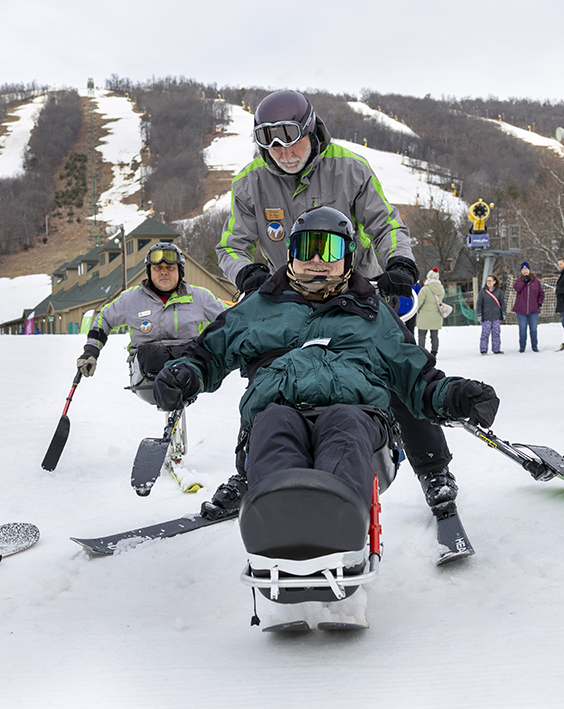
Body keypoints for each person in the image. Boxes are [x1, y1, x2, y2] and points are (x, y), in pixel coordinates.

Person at [156, 209, 498, 623]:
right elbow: (209, 353)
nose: (317, 260)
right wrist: (185, 375)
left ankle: (343, 553)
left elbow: (419, 380)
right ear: (290, 254)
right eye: (306, 249)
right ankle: (276, 553)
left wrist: (459, 396)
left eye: (329, 249)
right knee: (274, 426)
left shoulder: (372, 313)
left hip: (357, 415)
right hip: (276, 409)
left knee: (343, 426)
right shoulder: (260, 306)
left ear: (349, 256)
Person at [214, 89, 461, 521]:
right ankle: (252, 467)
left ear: (312, 131)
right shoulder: (249, 183)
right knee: (267, 372)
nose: (284, 153)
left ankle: (433, 469)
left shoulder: (350, 169)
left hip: (355, 290)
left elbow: (386, 222)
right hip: (290, 295)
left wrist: (399, 263)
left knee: (396, 365)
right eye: (271, 145)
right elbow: (230, 246)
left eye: (292, 141)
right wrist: (247, 275)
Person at [75, 241, 227, 392]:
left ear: (180, 271)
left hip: (188, 365)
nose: (164, 272)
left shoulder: (199, 297)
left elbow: (231, 317)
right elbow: (104, 319)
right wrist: (91, 351)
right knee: (154, 356)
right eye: (157, 268)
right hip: (146, 374)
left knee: (199, 352)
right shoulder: (132, 299)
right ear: (149, 271)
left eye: (170, 268)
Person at [512, 262, 544, 352]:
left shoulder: (536, 282)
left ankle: (535, 346)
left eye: (526, 269)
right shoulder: (518, 281)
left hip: (533, 310)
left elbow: (541, 293)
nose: (525, 271)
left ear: (529, 270)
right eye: (523, 270)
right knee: (522, 329)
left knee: (533, 329)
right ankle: (522, 346)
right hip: (521, 310)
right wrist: (523, 281)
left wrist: (539, 303)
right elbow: (517, 288)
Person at [416, 267, 446, 355]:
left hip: (424, 316)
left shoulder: (425, 289)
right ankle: (434, 352)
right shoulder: (441, 289)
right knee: (434, 336)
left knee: (422, 335)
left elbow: (419, 302)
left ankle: (422, 352)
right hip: (436, 315)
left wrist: (416, 311)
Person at [477, 274, 505, 355]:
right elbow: (479, 304)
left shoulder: (499, 292)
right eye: (487, 280)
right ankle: (483, 350)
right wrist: (479, 314)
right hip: (486, 316)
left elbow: (502, 303)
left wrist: (503, 313)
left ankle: (496, 349)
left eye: (490, 281)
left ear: (494, 282)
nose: (488, 282)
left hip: (496, 316)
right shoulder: (482, 292)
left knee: (496, 333)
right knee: (485, 333)